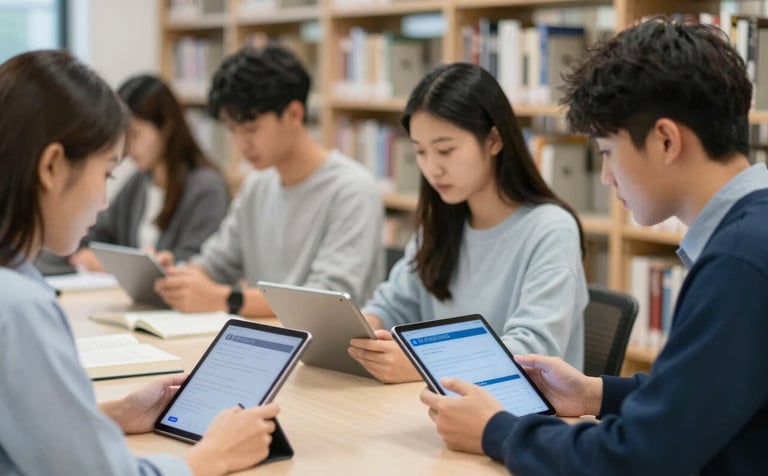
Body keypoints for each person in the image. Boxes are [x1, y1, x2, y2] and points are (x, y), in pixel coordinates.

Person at [419, 18, 768, 476]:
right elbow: (706, 396)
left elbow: (637, 457)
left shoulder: (740, 260)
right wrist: (594, 395)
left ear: (665, 140)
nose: (606, 177)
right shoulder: (751, 234)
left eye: (606, 151)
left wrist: (496, 430)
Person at [0, 49, 278, 475]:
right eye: (107, 172)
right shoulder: (20, 308)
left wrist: (109, 414)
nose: (106, 197)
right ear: (53, 165)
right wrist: (212, 456)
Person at [348, 62, 588, 383]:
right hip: (447, 403)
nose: (432, 168)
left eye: (445, 150)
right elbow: (394, 306)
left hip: (528, 415)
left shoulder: (551, 229)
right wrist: (355, 331)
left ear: (493, 140)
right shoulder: (443, 222)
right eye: (420, 152)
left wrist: (423, 363)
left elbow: (531, 350)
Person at [154, 44, 384, 317]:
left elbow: (327, 301)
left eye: (251, 129)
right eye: (232, 130)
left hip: (329, 354)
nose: (240, 144)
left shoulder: (352, 190)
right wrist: (179, 277)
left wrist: (226, 299)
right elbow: (215, 263)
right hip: (268, 342)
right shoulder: (257, 186)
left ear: (294, 115)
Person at [69, 73, 229, 271]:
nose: (127, 147)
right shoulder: (139, 182)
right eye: (123, 136)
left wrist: (114, 265)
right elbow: (100, 233)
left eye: (135, 135)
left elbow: (195, 264)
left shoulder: (207, 188)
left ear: (166, 128)